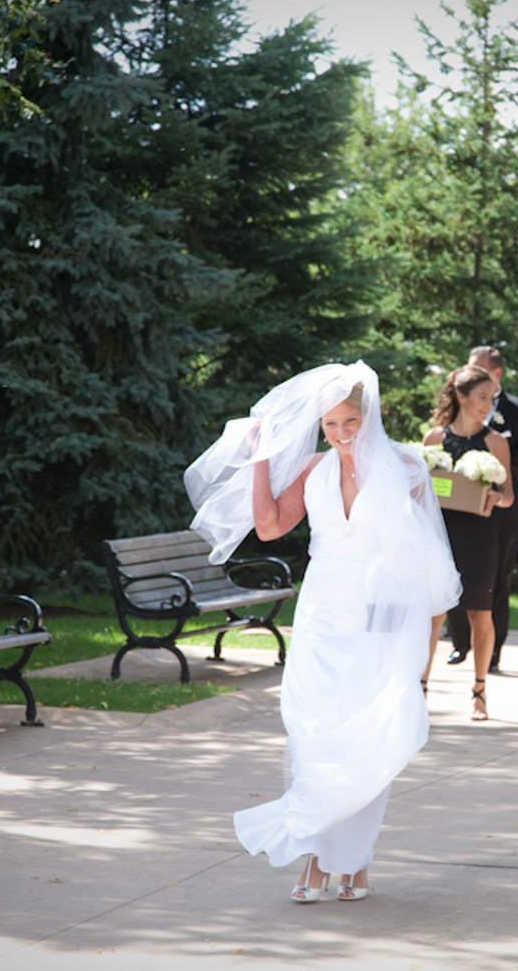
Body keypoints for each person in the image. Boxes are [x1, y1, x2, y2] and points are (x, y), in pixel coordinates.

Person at [185, 362, 460, 903]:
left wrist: (423, 655)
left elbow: (430, 565)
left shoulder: (405, 467)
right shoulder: (313, 469)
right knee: (312, 734)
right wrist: (263, 457)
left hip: (380, 617)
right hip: (321, 615)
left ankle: (354, 864)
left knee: (368, 735)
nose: (340, 433)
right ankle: (314, 858)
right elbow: (267, 527)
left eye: (350, 421)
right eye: (330, 424)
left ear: (369, 414)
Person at [421, 364, 514, 719]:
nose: (488, 405)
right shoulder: (434, 439)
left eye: (491, 398)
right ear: (460, 396)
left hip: (479, 537)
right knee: (433, 614)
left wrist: (495, 499)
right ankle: (421, 687)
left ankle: (479, 691)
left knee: (480, 612)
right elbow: (420, 489)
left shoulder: (496, 441)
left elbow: (508, 495)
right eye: (481, 397)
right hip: (439, 535)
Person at [443, 346, 518, 672]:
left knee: (496, 581)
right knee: (450, 580)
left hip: (495, 514)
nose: (470, 372)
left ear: (496, 375)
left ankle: (493, 651)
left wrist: (494, 465)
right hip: (454, 514)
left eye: (479, 369)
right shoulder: (444, 430)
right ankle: (459, 644)